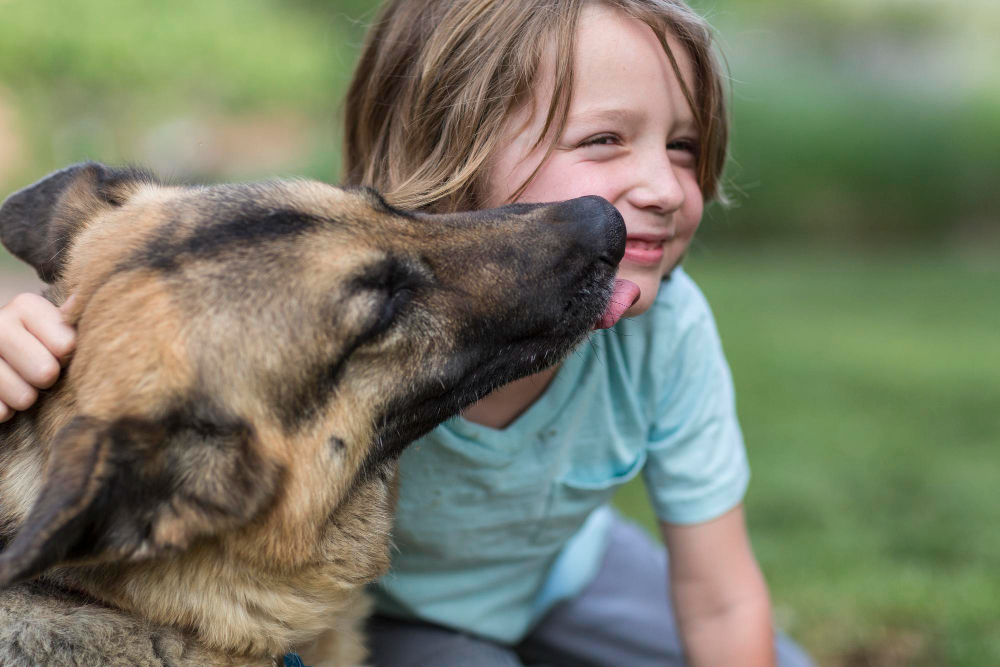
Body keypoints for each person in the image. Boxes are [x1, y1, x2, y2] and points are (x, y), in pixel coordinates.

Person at [0, 0, 814, 665]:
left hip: (564, 567)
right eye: (602, 141)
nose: (656, 188)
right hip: (408, 617)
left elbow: (722, 596)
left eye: (684, 146)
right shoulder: (150, 462)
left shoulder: (665, 327)